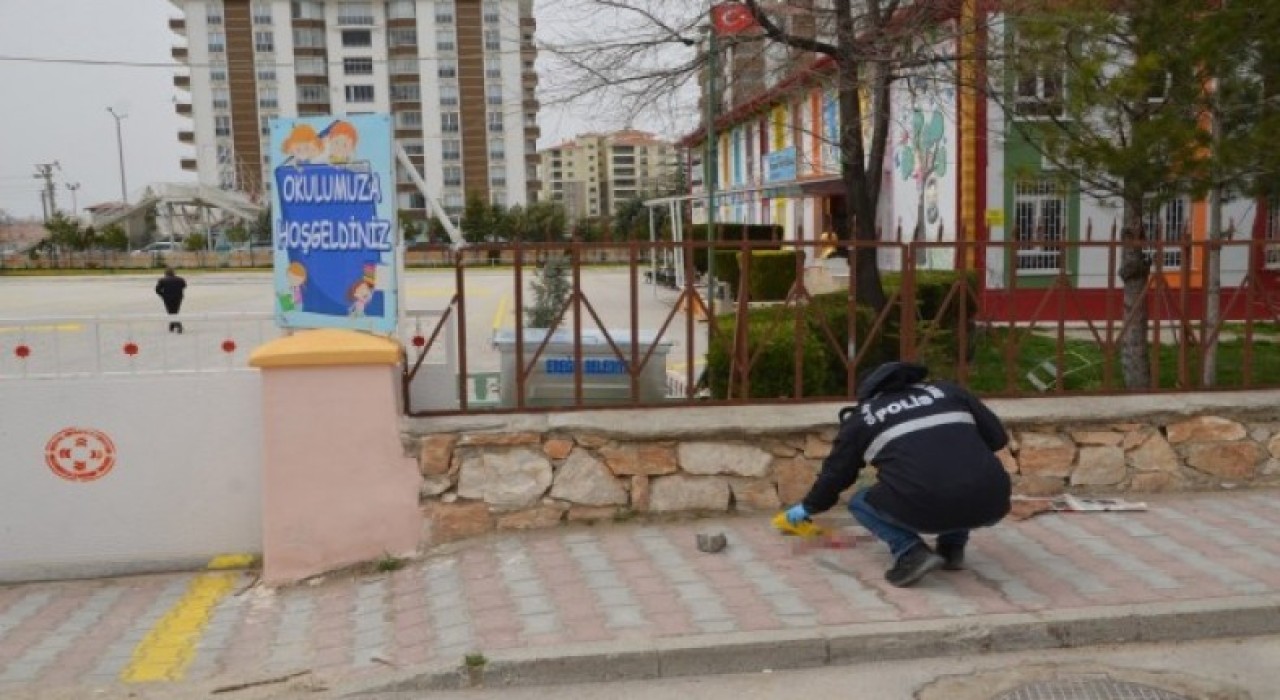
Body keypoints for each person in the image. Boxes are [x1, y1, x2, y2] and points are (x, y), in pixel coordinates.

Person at [783, 361, 1011, 588]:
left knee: (860, 502)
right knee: (958, 475)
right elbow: (997, 438)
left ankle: (911, 553)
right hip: (993, 500)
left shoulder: (864, 418)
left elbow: (836, 474)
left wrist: (809, 507)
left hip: (930, 505)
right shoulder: (949, 392)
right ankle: (952, 549)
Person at [155, 268, 187, 333]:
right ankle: (172, 326)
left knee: (171, 312)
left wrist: (163, 295)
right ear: (174, 273)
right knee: (175, 311)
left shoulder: (162, 280)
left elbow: (157, 290)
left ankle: (178, 325)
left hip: (167, 298)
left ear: (166, 274)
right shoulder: (180, 279)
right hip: (178, 297)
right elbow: (184, 286)